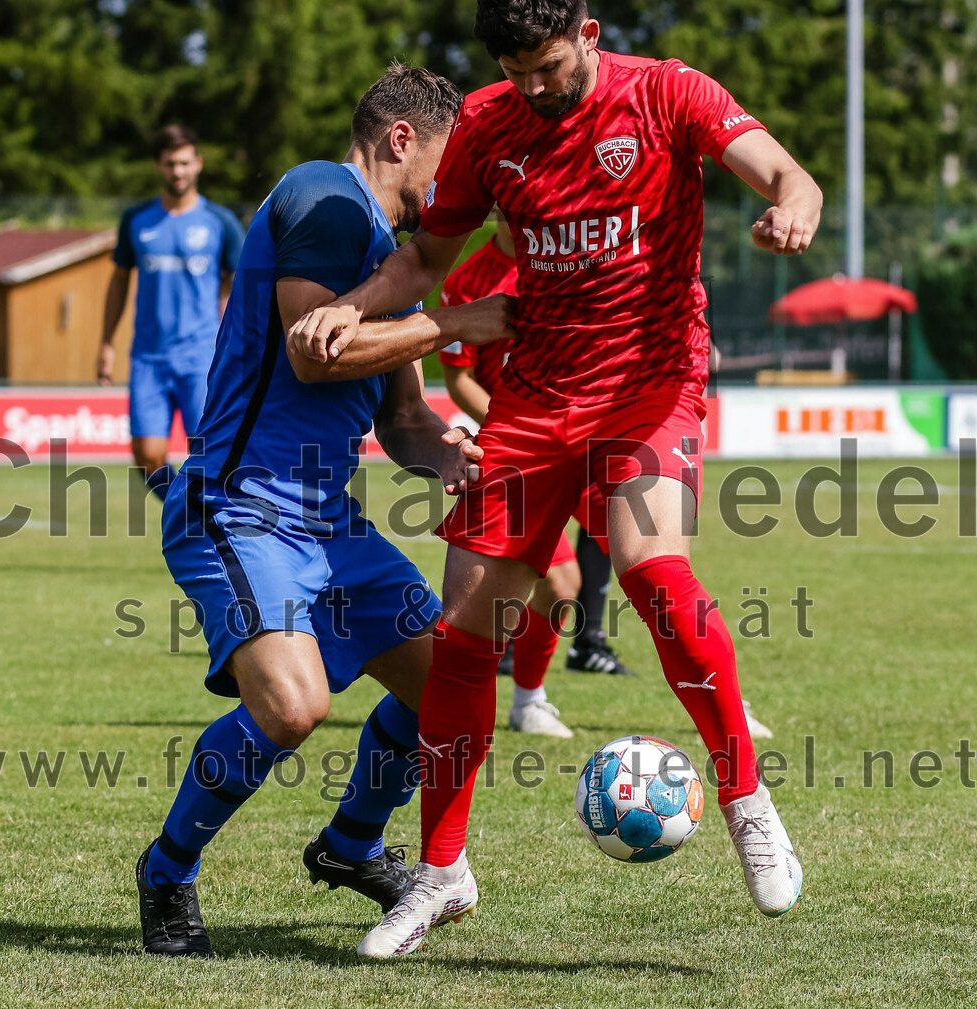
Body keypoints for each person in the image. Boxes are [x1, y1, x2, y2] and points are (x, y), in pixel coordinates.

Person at [291, 1, 822, 957]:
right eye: (515, 68)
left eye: (548, 65)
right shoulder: (489, 126)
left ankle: (744, 799)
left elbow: (788, 173)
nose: (533, 87)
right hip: (536, 398)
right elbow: (426, 258)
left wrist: (792, 208)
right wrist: (350, 308)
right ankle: (443, 872)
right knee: (463, 636)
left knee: (651, 567)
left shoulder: (667, 92)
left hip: (652, 378)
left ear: (586, 26)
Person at [135, 64, 513, 958]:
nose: (457, 187)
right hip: (240, 504)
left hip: (326, 520)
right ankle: (168, 866)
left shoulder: (394, 260)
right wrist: (463, 320)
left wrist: (454, 454)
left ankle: (349, 844)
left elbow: (406, 419)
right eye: (451, 161)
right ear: (401, 139)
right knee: (293, 706)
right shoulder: (325, 196)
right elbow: (315, 353)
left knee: (452, 689)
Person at [440, 214, 628, 739]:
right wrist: (511, 426)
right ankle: (519, 700)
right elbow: (459, 380)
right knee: (561, 585)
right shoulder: (467, 280)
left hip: (581, 434)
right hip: (517, 448)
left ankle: (713, 685)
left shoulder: (570, 260)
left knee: (656, 562)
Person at [98, 125, 244, 501]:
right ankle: (189, 510)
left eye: (183, 163)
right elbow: (118, 283)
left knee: (209, 455)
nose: (177, 171)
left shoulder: (220, 222)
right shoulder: (137, 220)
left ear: (197, 163)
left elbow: (241, 283)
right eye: (169, 164)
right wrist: (106, 343)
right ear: (157, 167)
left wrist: (237, 338)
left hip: (201, 358)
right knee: (147, 457)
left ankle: (207, 522)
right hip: (148, 357)